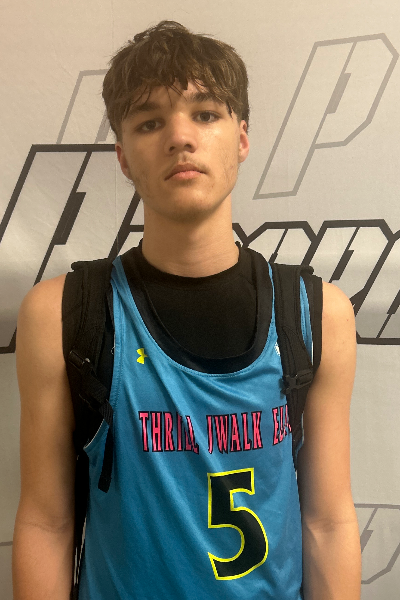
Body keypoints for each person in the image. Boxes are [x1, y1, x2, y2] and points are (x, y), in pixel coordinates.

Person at [12, 20, 361, 600]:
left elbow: (327, 521)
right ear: (124, 158)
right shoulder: (64, 315)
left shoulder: (317, 314)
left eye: (205, 113)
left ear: (241, 137)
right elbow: (47, 523)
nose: (180, 136)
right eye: (150, 122)